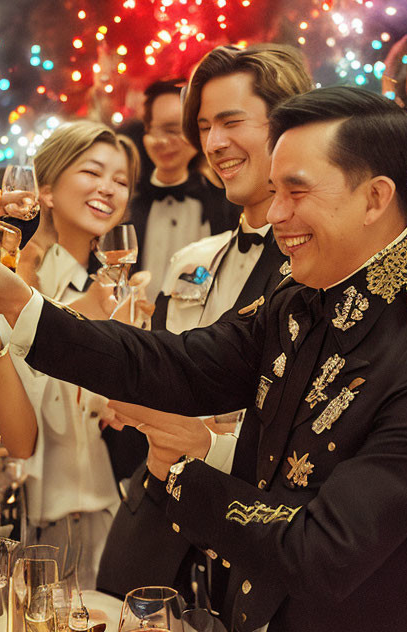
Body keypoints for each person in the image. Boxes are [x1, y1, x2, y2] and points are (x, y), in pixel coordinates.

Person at [0, 87, 407, 632]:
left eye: (296, 191)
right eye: (274, 191)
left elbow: (325, 549)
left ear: (375, 198)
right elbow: (178, 362)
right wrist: (18, 300)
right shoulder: (297, 299)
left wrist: (186, 474)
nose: (274, 214)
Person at [97, 44, 312, 603]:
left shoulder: (319, 269)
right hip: (158, 509)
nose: (213, 144)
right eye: (205, 126)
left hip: (256, 527)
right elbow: (164, 370)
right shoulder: (193, 258)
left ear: (289, 126)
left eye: (231, 122)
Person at [0, 120, 143, 588]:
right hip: (27, 506)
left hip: (103, 497)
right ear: (47, 190)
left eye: (121, 181)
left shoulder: (119, 287)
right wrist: (84, 317)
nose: (108, 189)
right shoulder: (16, 278)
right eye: (92, 172)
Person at [129, 78, 238, 298]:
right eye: (155, 130)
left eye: (174, 130)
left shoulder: (226, 203)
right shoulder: (127, 204)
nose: (163, 141)